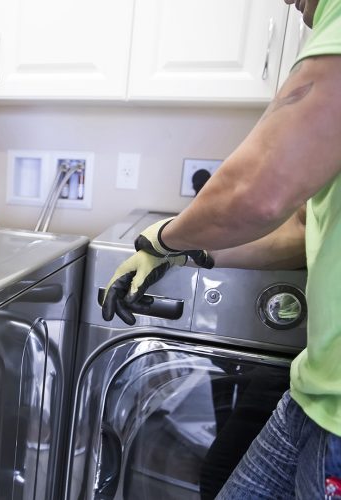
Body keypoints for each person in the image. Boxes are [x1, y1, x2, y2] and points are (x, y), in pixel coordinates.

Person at [101, 0, 341, 497]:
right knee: (220, 480)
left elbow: (258, 191)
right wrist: (187, 253)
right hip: (314, 390)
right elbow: (301, 227)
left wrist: (161, 237)